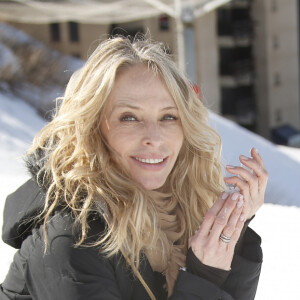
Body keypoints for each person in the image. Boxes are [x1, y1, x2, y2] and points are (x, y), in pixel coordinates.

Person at [0, 36, 268, 300]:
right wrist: (204, 277)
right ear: (91, 128)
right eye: (129, 117)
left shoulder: (181, 213)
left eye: (168, 116)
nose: (154, 136)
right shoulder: (68, 239)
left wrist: (231, 231)